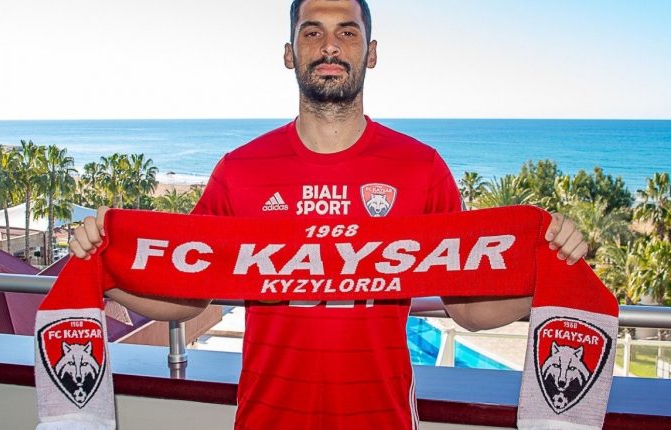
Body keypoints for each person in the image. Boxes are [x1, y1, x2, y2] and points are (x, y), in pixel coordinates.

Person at [69, 0, 589, 428]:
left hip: (382, 418)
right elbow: (187, 296)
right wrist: (103, 268)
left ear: (371, 52)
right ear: (290, 54)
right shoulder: (240, 170)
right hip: (267, 418)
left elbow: (468, 310)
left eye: (348, 32)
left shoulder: (421, 169)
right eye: (312, 32)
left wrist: (549, 268)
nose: (330, 46)